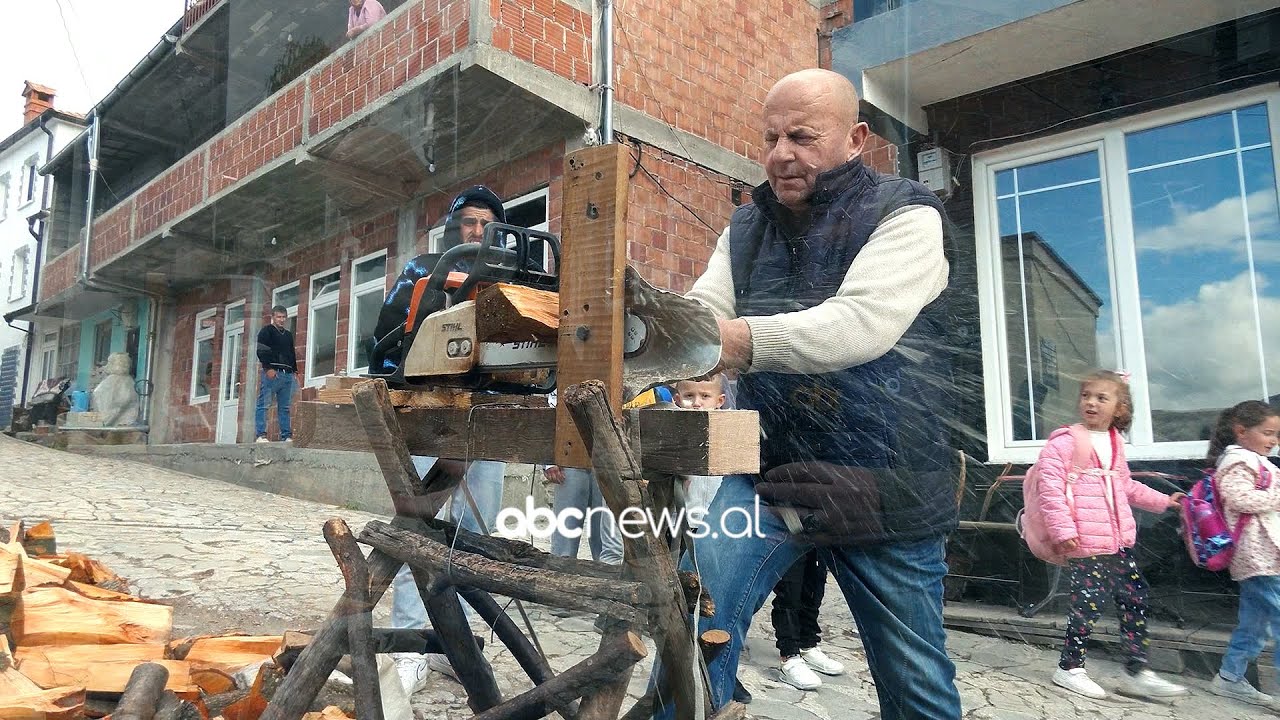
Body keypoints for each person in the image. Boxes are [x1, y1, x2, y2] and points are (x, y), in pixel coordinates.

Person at [660, 67, 960, 719]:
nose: (779, 154)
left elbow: (857, 325)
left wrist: (729, 343)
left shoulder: (906, 214)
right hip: (768, 476)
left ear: (856, 139)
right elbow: (698, 318)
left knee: (916, 688)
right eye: (770, 137)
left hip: (884, 487)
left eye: (801, 135)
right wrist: (643, 324)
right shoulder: (744, 229)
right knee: (687, 637)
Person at [373, 186, 512, 694]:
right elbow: (386, 338)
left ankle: (454, 642)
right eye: (469, 222)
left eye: (486, 223)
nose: (477, 231)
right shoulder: (424, 270)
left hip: (489, 417)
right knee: (423, 531)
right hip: (434, 416)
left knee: (475, 536)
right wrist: (404, 391)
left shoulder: (510, 279)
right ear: (455, 227)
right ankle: (411, 645)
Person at [1038, 370, 1187, 701]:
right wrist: (1063, 530)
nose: (1091, 402)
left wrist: (1164, 501)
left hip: (1118, 541)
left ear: (1120, 407)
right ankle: (1069, 668)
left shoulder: (1116, 443)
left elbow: (1127, 486)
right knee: (1087, 605)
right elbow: (1049, 490)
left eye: (1101, 398)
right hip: (1085, 541)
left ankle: (1136, 670)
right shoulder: (1065, 442)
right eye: (1086, 395)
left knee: (1135, 599)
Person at [1206, 400, 1280, 708]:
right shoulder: (1238, 461)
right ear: (1241, 431)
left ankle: (1229, 678)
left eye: (1276, 434)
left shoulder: (1254, 459)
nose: (1273, 440)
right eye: (1267, 433)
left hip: (1265, 554)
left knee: (1255, 622)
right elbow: (1238, 498)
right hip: (1256, 555)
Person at [771, 550, 845, 690]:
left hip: (818, 533)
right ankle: (789, 655)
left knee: (815, 586)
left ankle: (807, 645)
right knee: (789, 590)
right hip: (787, 533)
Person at [254, 305, 297, 443]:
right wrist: (268, 368)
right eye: (278, 317)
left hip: (287, 374)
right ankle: (261, 435)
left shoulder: (288, 335)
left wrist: (294, 371)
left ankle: (286, 436)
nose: (281, 320)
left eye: (284, 317)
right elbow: (261, 350)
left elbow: (291, 354)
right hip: (272, 373)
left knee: (284, 407)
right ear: (273, 317)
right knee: (264, 404)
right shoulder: (266, 331)